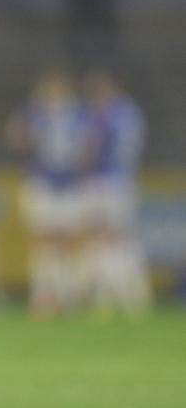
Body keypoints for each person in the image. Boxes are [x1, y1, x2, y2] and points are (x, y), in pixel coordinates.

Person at [8, 70, 91, 318]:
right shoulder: (35, 113)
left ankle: (67, 293)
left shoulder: (78, 115)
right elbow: (15, 136)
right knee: (43, 241)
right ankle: (44, 295)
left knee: (66, 241)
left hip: (68, 183)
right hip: (42, 182)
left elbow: (90, 147)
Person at [81, 70, 151, 316]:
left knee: (108, 237)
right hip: (122, 179)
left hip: (109, 181)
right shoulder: (131, 112)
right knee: (120, 237)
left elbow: (93, 148)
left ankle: (113, 295)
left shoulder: (108, 114)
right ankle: (132, 295)